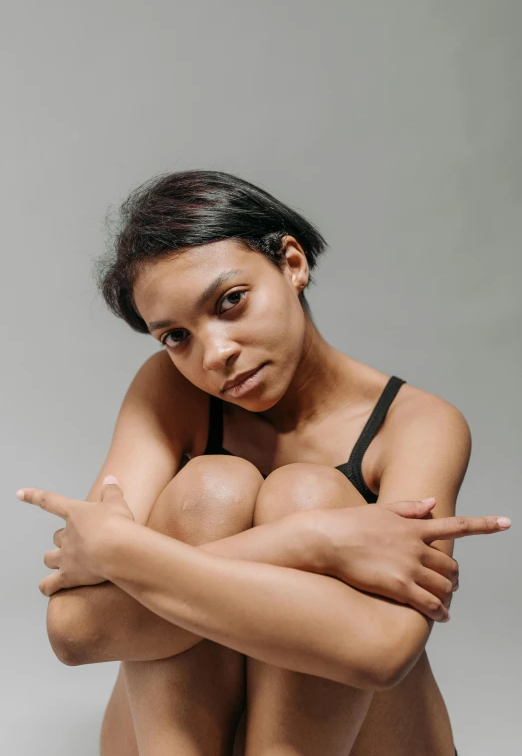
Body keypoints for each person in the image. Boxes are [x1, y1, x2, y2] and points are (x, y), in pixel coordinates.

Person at [17, 170, 511, 756]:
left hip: (353, 734)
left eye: (231, 302)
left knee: (309, 491)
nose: (215, 353)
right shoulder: (170, 392)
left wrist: (128, 553)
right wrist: (310, 544)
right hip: (186, 736)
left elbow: (383, 651)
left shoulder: (417, 425)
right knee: (212, 489)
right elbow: (74, 632)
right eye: (175, 336)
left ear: (293, 264)